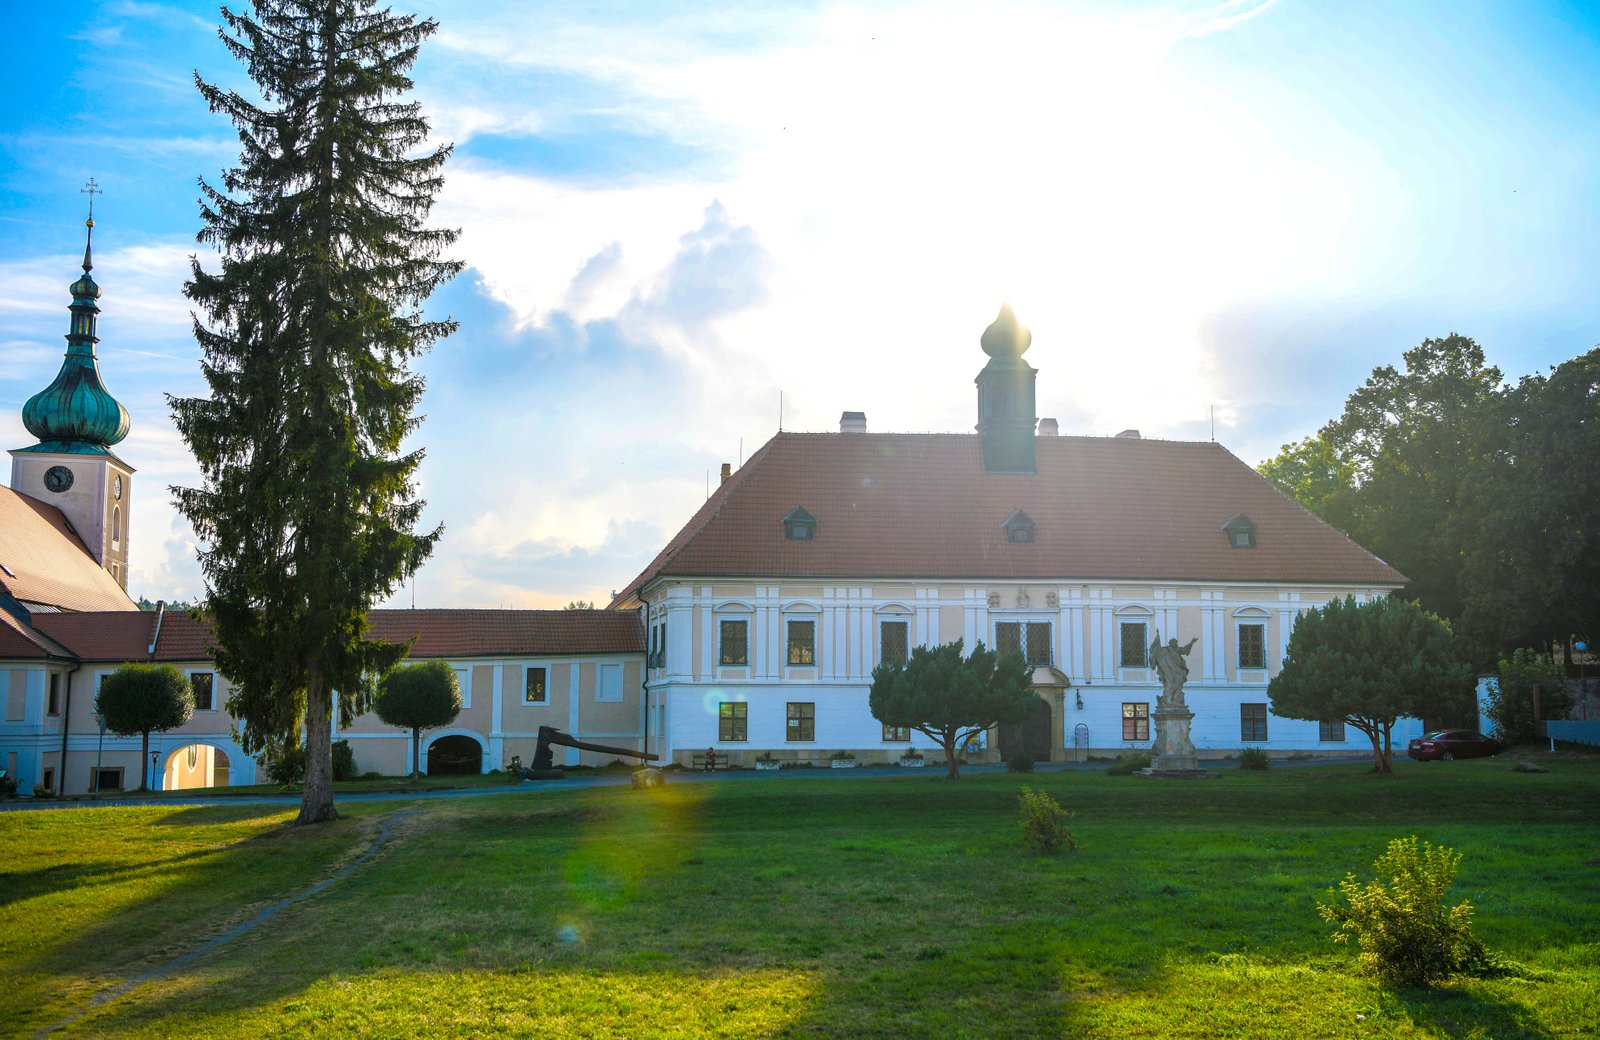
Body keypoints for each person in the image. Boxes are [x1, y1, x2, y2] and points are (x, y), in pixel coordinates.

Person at [1149, 631, 1199, 711]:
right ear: (1170, 643)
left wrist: (1192, 642)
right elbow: (1157, 655)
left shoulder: (1177, 650)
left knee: (1179, 683)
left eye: (1175, 642)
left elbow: (1184, 649)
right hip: (1169, 672)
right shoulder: (1165, 650)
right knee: (1170, 685)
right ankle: (1168, 700)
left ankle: (1174, 700)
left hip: (1178, 671)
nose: (1175, 644)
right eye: (1173, 642)